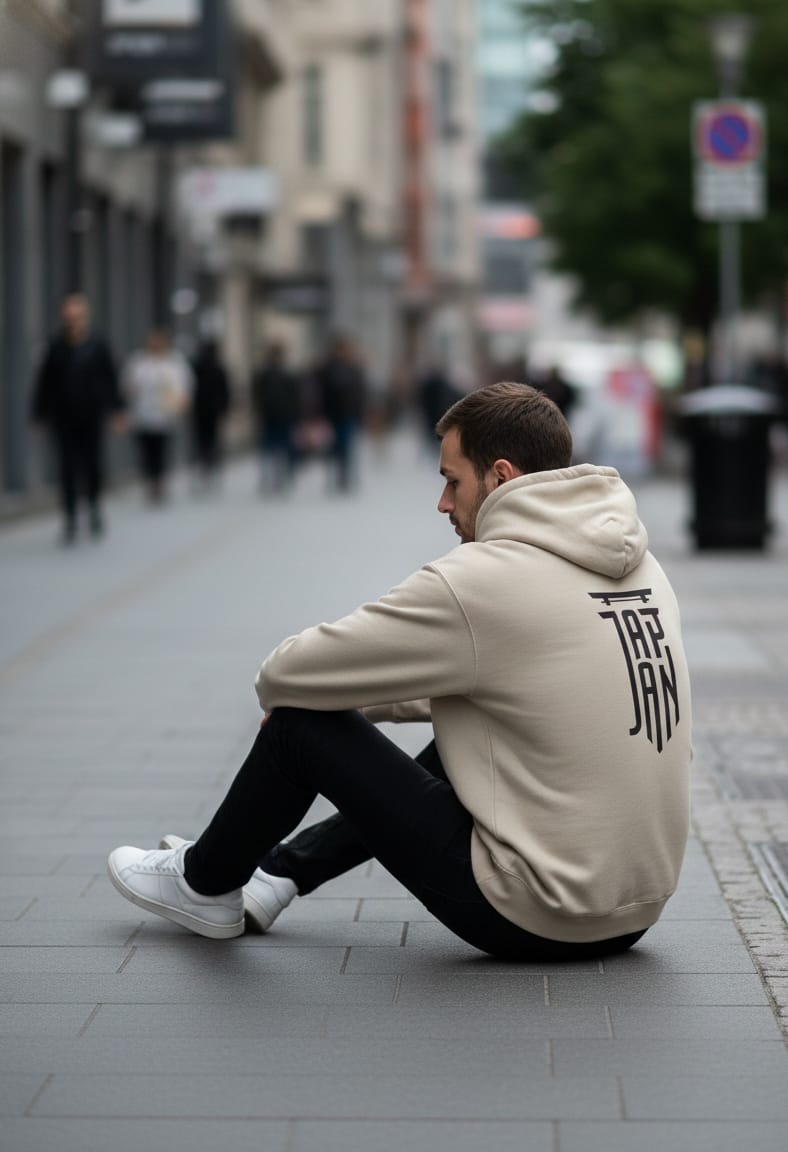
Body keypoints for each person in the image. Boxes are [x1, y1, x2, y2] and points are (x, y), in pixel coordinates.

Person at [108, 382, 692, 961]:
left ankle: (204, 883)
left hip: (536, 913)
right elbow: (531, 685)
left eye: (452, 481)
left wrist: (323, 703)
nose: (442, 503)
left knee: (297, 727)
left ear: (501, 477)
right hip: (632, 909)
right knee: (476, 725)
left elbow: (285, 673)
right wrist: (361, 702)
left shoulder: (482, 580)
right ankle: (278, 873)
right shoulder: (641, 567)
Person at [31, 293, 124, 543]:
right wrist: (39, 414)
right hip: (64, 416)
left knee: (93, 463)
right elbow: (45, 383)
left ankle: (93, 506)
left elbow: (110, 378)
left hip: (91, 414)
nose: (73, 322)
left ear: (85, 317)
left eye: (77, 316)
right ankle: (70, 517)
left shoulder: (98, 345)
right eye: (69, 317)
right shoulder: (55, 347)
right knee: (67, 466)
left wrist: (117, 410)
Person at [122, 328, 193, 504]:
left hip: (165, 417)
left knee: (162, 451)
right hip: (143, 416)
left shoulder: (173, 362)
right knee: (147, 451)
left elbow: (185, 386)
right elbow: (128, 385)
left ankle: (160, 481)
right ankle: (150, 480)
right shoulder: (139, 362)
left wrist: (181, 401)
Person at [315, 333, 368, 491]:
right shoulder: (327, 369)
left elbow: (359, 392)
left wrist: (359, 412)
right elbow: (320, 392)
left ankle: (345, 477)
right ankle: (334, 477)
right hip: (331, 415)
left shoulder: (353, 369)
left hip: (348, 414)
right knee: (333, 448)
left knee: (347, 447)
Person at [251, 341, 301, 493]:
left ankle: (271, 477)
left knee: (270, 448)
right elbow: (295, 397)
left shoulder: (264, 374)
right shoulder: (286, 374)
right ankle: (281, 476)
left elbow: (257, 397)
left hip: (272, 416)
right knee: (282, 448)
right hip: (281, 417)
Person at [190, 340, 231, 487]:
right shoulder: (218, 367)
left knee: (201, 439)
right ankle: (211, 465)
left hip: (200, 409)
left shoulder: (197, 366)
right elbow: (225, 391)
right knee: (212, 439)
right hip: (213, 410)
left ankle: (204, 465)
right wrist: (224, 409)